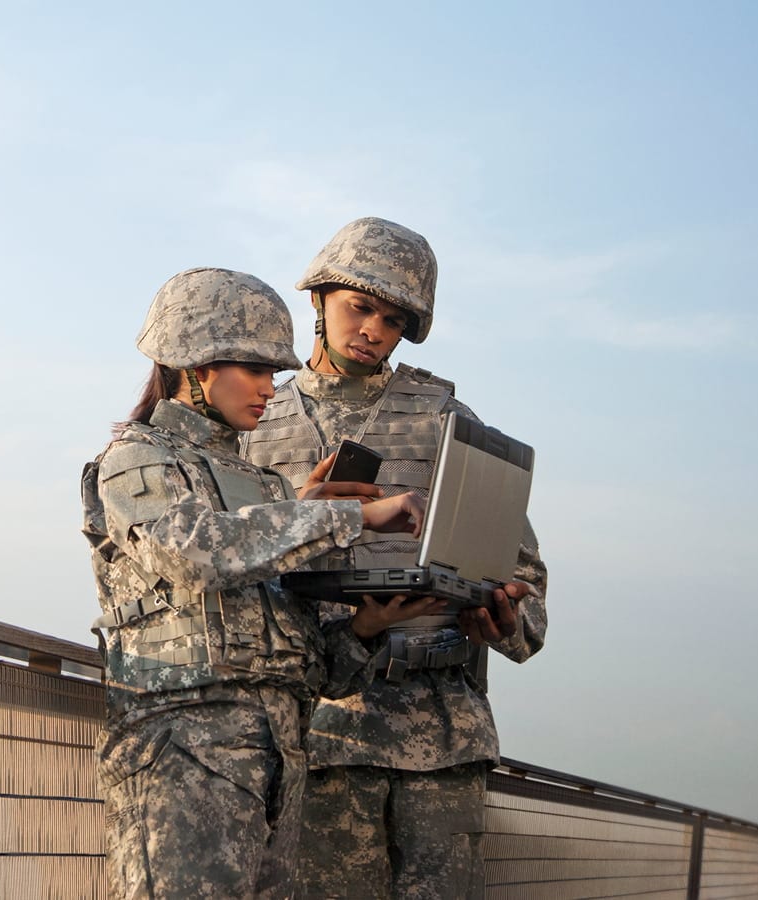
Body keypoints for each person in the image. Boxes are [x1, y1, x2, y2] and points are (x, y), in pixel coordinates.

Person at [81, 266, 438, 899]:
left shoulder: (264, 489)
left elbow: (313, 667)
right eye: (252, 369)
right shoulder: (138, 458)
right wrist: (349, 515)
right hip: (183, 750)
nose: (270, 389)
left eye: (274, 372)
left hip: (277, 756)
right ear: (195, 365)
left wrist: (366, 626)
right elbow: (195, 553)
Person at [241, 218, 548, 899]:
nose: (373, 329)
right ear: (318, 299)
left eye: (393, 318)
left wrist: (503, 619)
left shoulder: (445, 420)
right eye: (360, 306)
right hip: (315, 735)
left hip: (439, 737)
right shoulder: (256, 422)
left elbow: (522, 580)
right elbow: (225, 565)